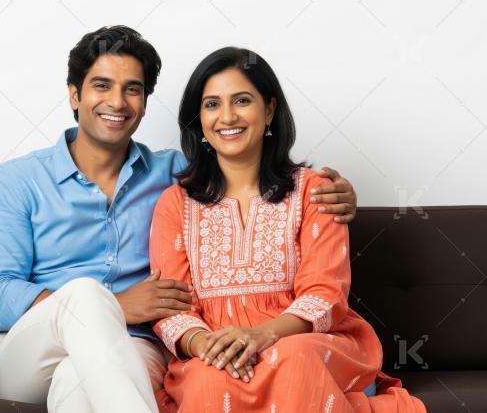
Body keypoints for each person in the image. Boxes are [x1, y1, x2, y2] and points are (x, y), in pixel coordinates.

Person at [0, 26, 359, 413]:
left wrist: (338, 192)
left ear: (144, 101)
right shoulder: (18, 180)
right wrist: (114, 306)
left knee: (78, 381)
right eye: (102, 86)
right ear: (75, 94)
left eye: (133, 89)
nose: (117, 102)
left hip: (131, 347)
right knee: (86, 295)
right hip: (33, 352)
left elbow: (240, 162)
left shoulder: (174, 177)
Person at [150, 47, 426, 412]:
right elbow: (171, 304)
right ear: (198, 119)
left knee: (293, 361)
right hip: (212, 346)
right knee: (208, 378)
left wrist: (262, 334)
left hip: (303, 340)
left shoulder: (315, 191)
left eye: (242, 100)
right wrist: (205, 345)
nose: (227, 116)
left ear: (269, 111)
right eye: (212, 104)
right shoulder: (175, 202)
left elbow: (325, 293)